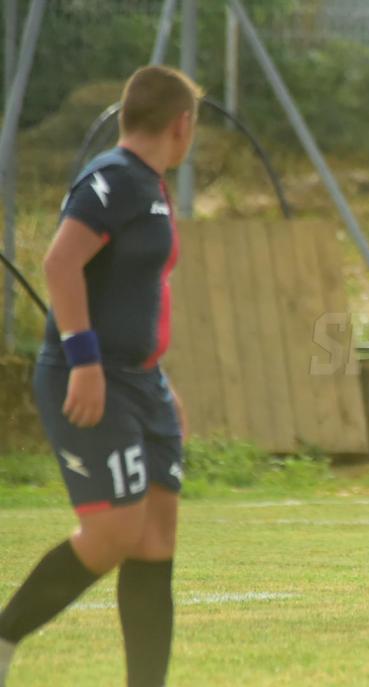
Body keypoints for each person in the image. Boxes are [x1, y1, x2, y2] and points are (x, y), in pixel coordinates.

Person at [0, 65, 201, 686]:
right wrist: (84, 362)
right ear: (182, 124)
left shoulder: (150, 185)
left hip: (141, 383)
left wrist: (159, 381)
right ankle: (5, 635)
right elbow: (60, 263)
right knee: (114, 530)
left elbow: (134, 294)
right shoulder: (113, 179)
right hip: (92, 376)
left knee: (155, 538)